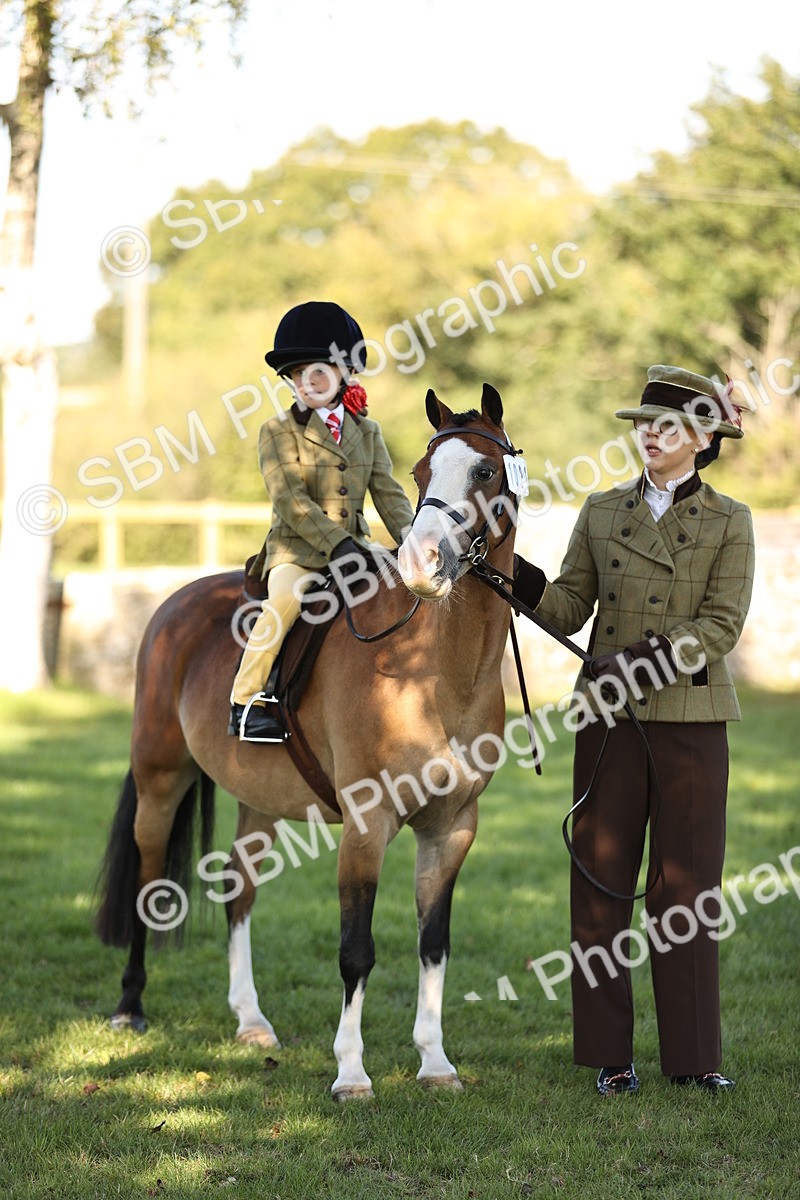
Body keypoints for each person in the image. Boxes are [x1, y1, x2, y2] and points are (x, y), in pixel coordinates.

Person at [513, 364, 756, 1095]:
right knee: (600, 883)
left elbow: (721, 625)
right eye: (644, 423)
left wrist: (639, 663)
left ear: (702, 439)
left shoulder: (730, 519)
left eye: (667, 426)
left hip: (691, 722)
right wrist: (507, 569)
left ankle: (694, 1058)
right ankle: (609, 1057)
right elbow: (566, 607)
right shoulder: (600, 510)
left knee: (687, 892)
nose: (650, 434)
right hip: (608, 720)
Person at [229, 300, 415, 741]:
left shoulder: (367, 431)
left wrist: (413, 538)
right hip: (299, 553)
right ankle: (245, 702)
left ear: (344, 373)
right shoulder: (277, 431)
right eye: (297, 375)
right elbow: (290, 500)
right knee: (283, 604)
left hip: (358, 547)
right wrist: (339, 545)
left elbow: (388, 492)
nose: (304, 383)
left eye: (315, 372)